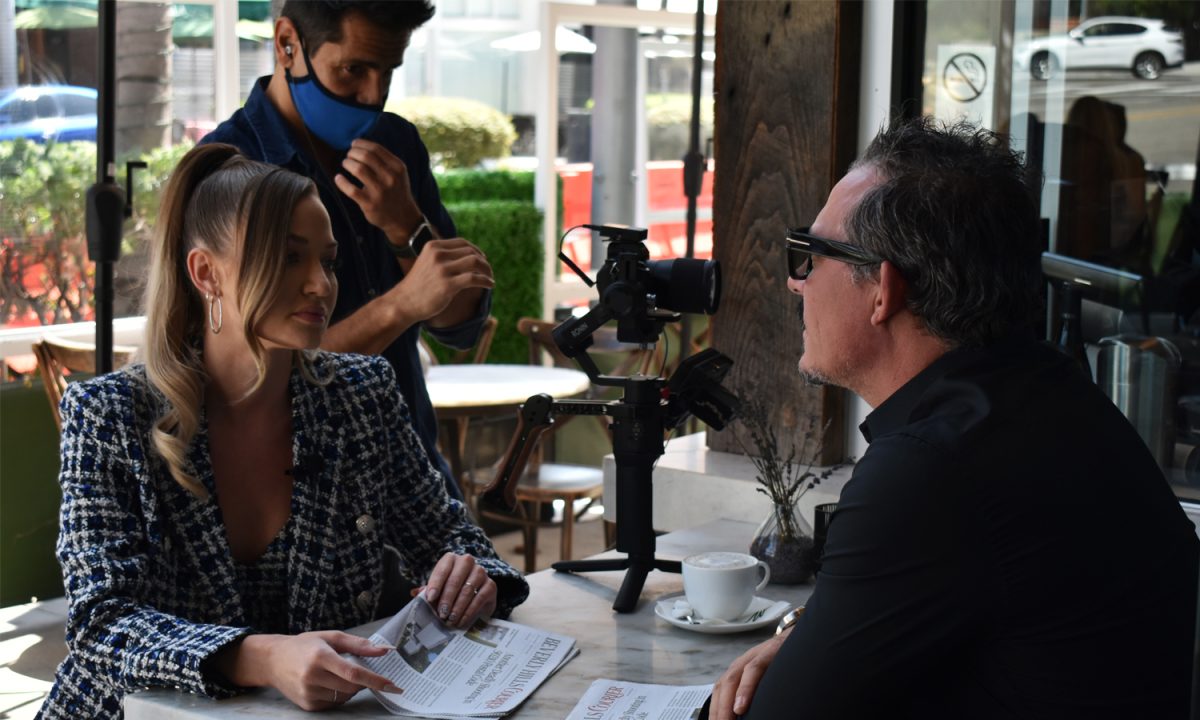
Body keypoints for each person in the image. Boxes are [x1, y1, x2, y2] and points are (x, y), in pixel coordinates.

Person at [709, 117, 1198, 719]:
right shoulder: (1043, 388)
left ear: (882, 290)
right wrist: (809, 630)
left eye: (812, 256)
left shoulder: (932, 467)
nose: (795, 282)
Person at [37, 144, 527, 720]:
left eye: (329, 261)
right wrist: (263, 657)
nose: (320, 284)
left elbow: (449, 537)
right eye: (290, 258)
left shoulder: (361, 394)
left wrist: (471, 576)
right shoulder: (109, 415)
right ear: (206, 273)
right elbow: (100, 624)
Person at [202, 0, 492, 501]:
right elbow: (249, 378)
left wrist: (406, 226)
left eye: (388, 72)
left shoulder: (396, 143)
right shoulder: (226, 169)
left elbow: (461, 324)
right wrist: (399, 307)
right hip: (297, 493)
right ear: (287, 43)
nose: (373, 95)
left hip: (412, 474)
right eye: (353, 70)